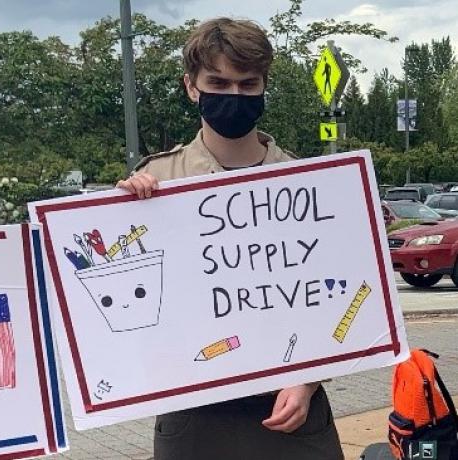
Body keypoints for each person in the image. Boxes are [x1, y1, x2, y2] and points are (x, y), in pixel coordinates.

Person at [117, 18, 344, 460]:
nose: (234, 95)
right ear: (191, 87)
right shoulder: (157, 181)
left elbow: (336, 302)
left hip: (294, 410)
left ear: (263, 87)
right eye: (218, 82)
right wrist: (120, 220)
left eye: (248, 83)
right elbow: (129, 299)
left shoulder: (310, 186)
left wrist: (308, 379)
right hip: (195, 415)